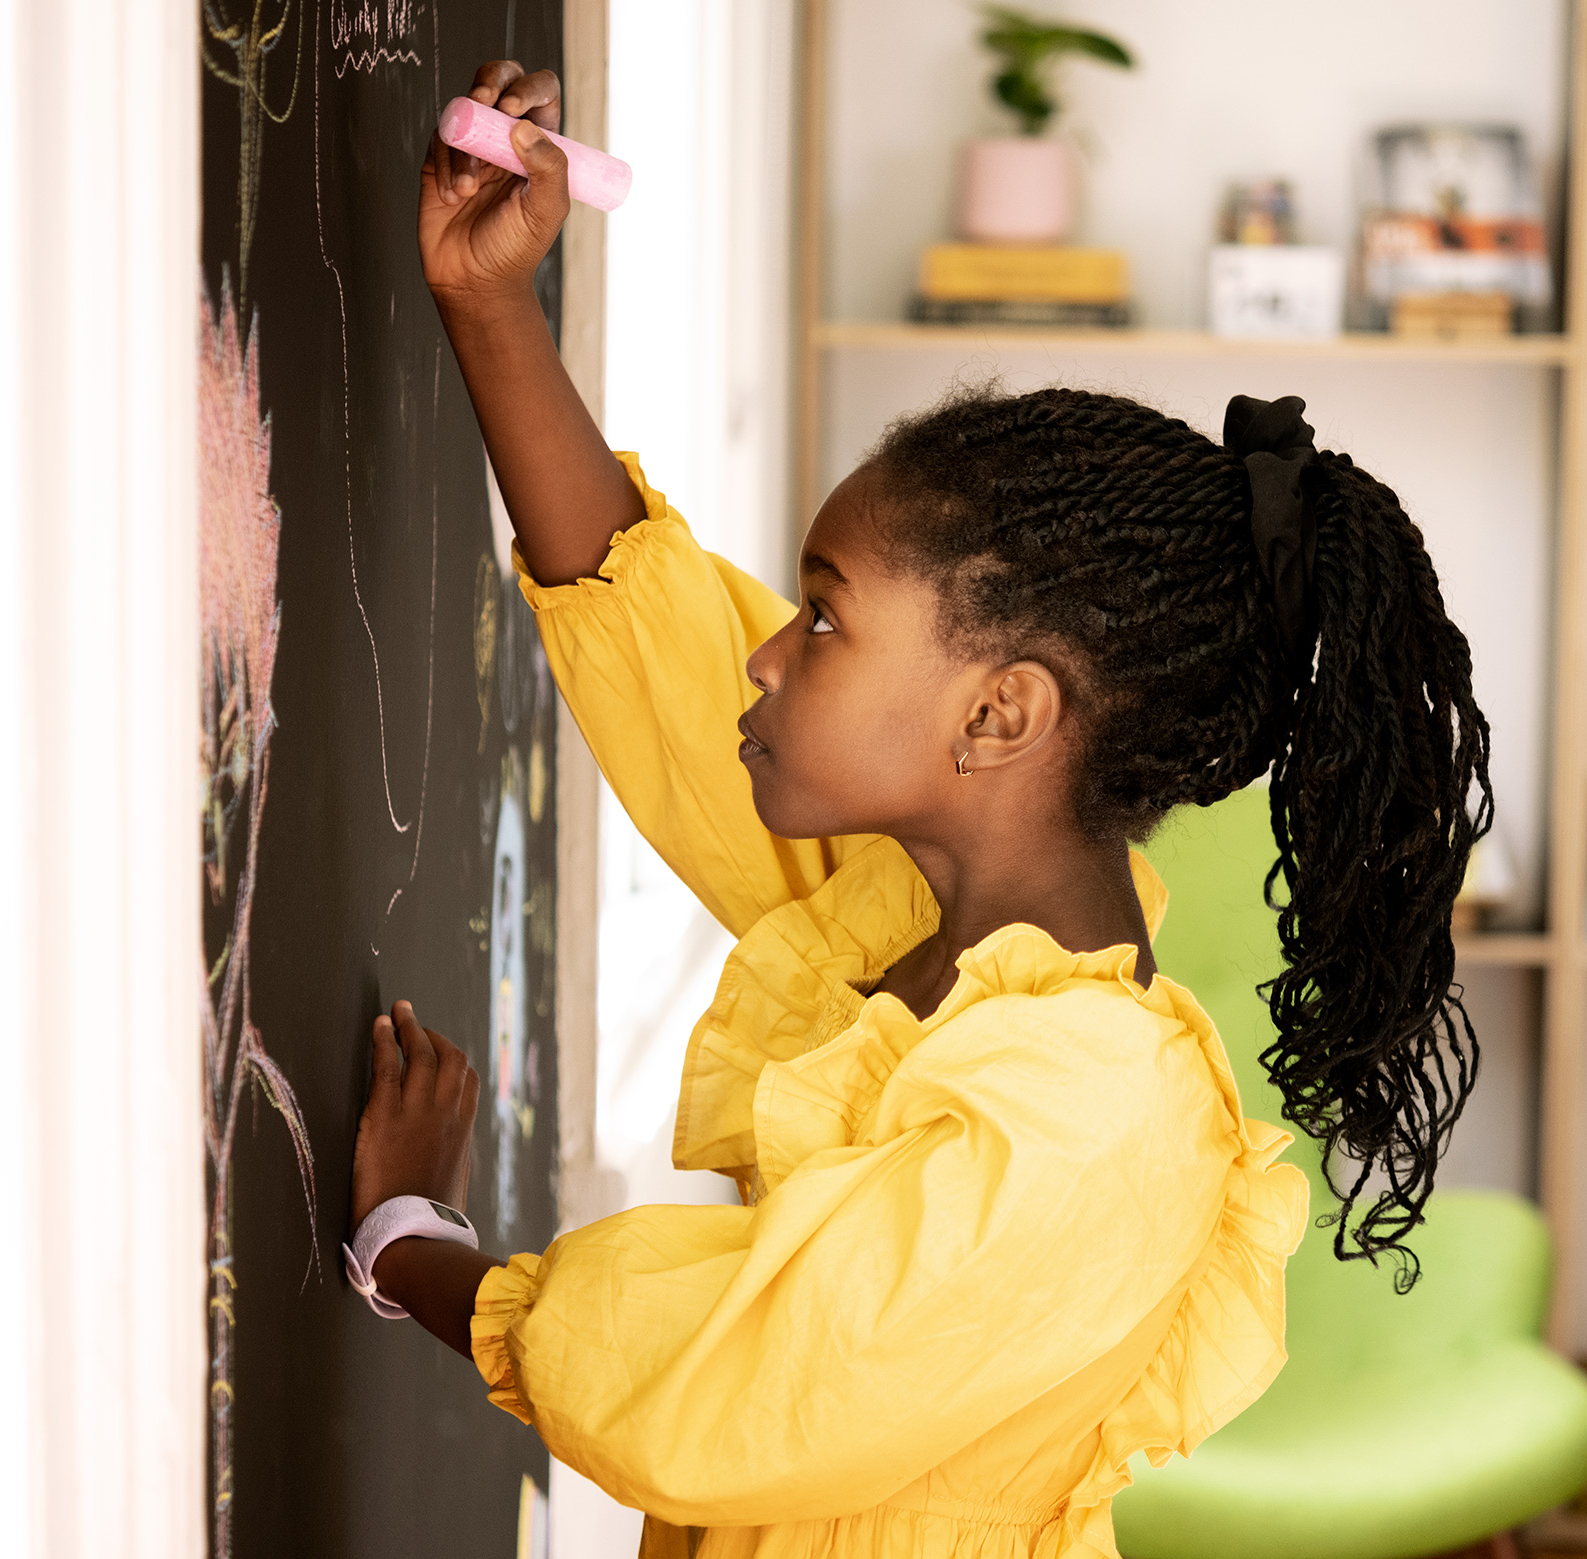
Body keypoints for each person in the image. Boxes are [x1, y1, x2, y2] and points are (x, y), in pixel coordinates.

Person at [348, 58, 1493, 1559]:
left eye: (821, 620)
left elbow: (710, 1389)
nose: (770, 649)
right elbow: (675, 663)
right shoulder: (914, 907)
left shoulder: (1084, 1119)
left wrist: (409, 1247)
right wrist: (489, 308)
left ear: (999, 713)